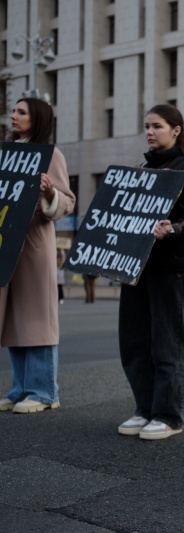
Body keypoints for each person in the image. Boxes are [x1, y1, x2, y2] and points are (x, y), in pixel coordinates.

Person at [117, 104, 184, 440]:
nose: (150, 132)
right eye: (147, 126)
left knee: (168, 344)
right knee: (135, 342)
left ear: (176, 130)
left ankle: (169, 415)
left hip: (171, 269)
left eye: (157, 126)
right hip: (137, 267)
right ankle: (145, 409)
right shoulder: (141, 169)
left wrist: (171, 230)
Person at [0, 98, 76, 414]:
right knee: (13, 319)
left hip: (32, 245)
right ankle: (21, 388)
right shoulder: (6, 153)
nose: (13, 116)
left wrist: (48, 193)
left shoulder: (50, 154)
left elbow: (67, 202)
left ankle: (44, 391)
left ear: (37, 119)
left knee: (37, 319)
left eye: (21, 112)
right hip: (6, 243)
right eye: (13, 111)